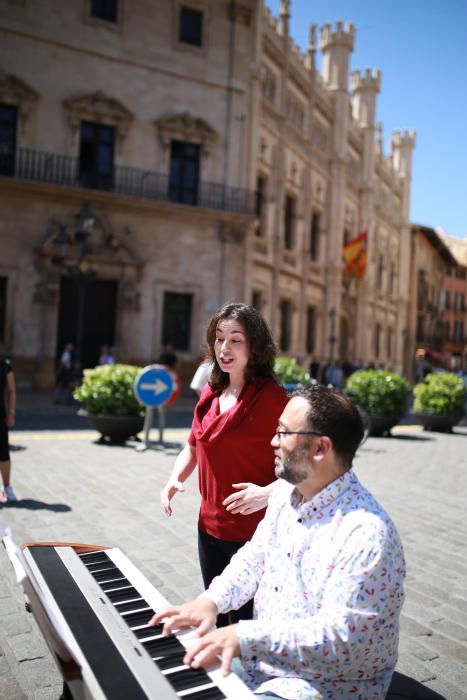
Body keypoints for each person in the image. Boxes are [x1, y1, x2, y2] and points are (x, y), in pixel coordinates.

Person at [152, 385, 406, 699]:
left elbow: (341, 638)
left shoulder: (367, 535)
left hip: (321, 687)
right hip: (265, 667)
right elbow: (254, 558)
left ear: (320, 448)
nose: (272, 441)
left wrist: (243, 636)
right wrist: (211, 601)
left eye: (283, 432)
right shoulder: (286, 492)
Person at [160, 302, 288, 625]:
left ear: (254, 346)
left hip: (253, 534)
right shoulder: (211, 392)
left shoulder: (273, 399)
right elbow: (192, 445)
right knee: (215, 617)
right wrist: (174, 479)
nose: (224, 348)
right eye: (219, 338)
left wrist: (267, 492)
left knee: (246, 626)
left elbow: (305, 468)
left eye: (235, 340)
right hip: (209, 527)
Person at [0, 350, 17, 502]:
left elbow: (11, 391)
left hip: (0, 417)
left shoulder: (5, 366)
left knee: (3, 454)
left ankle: (7, 487)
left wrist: (11, 413)